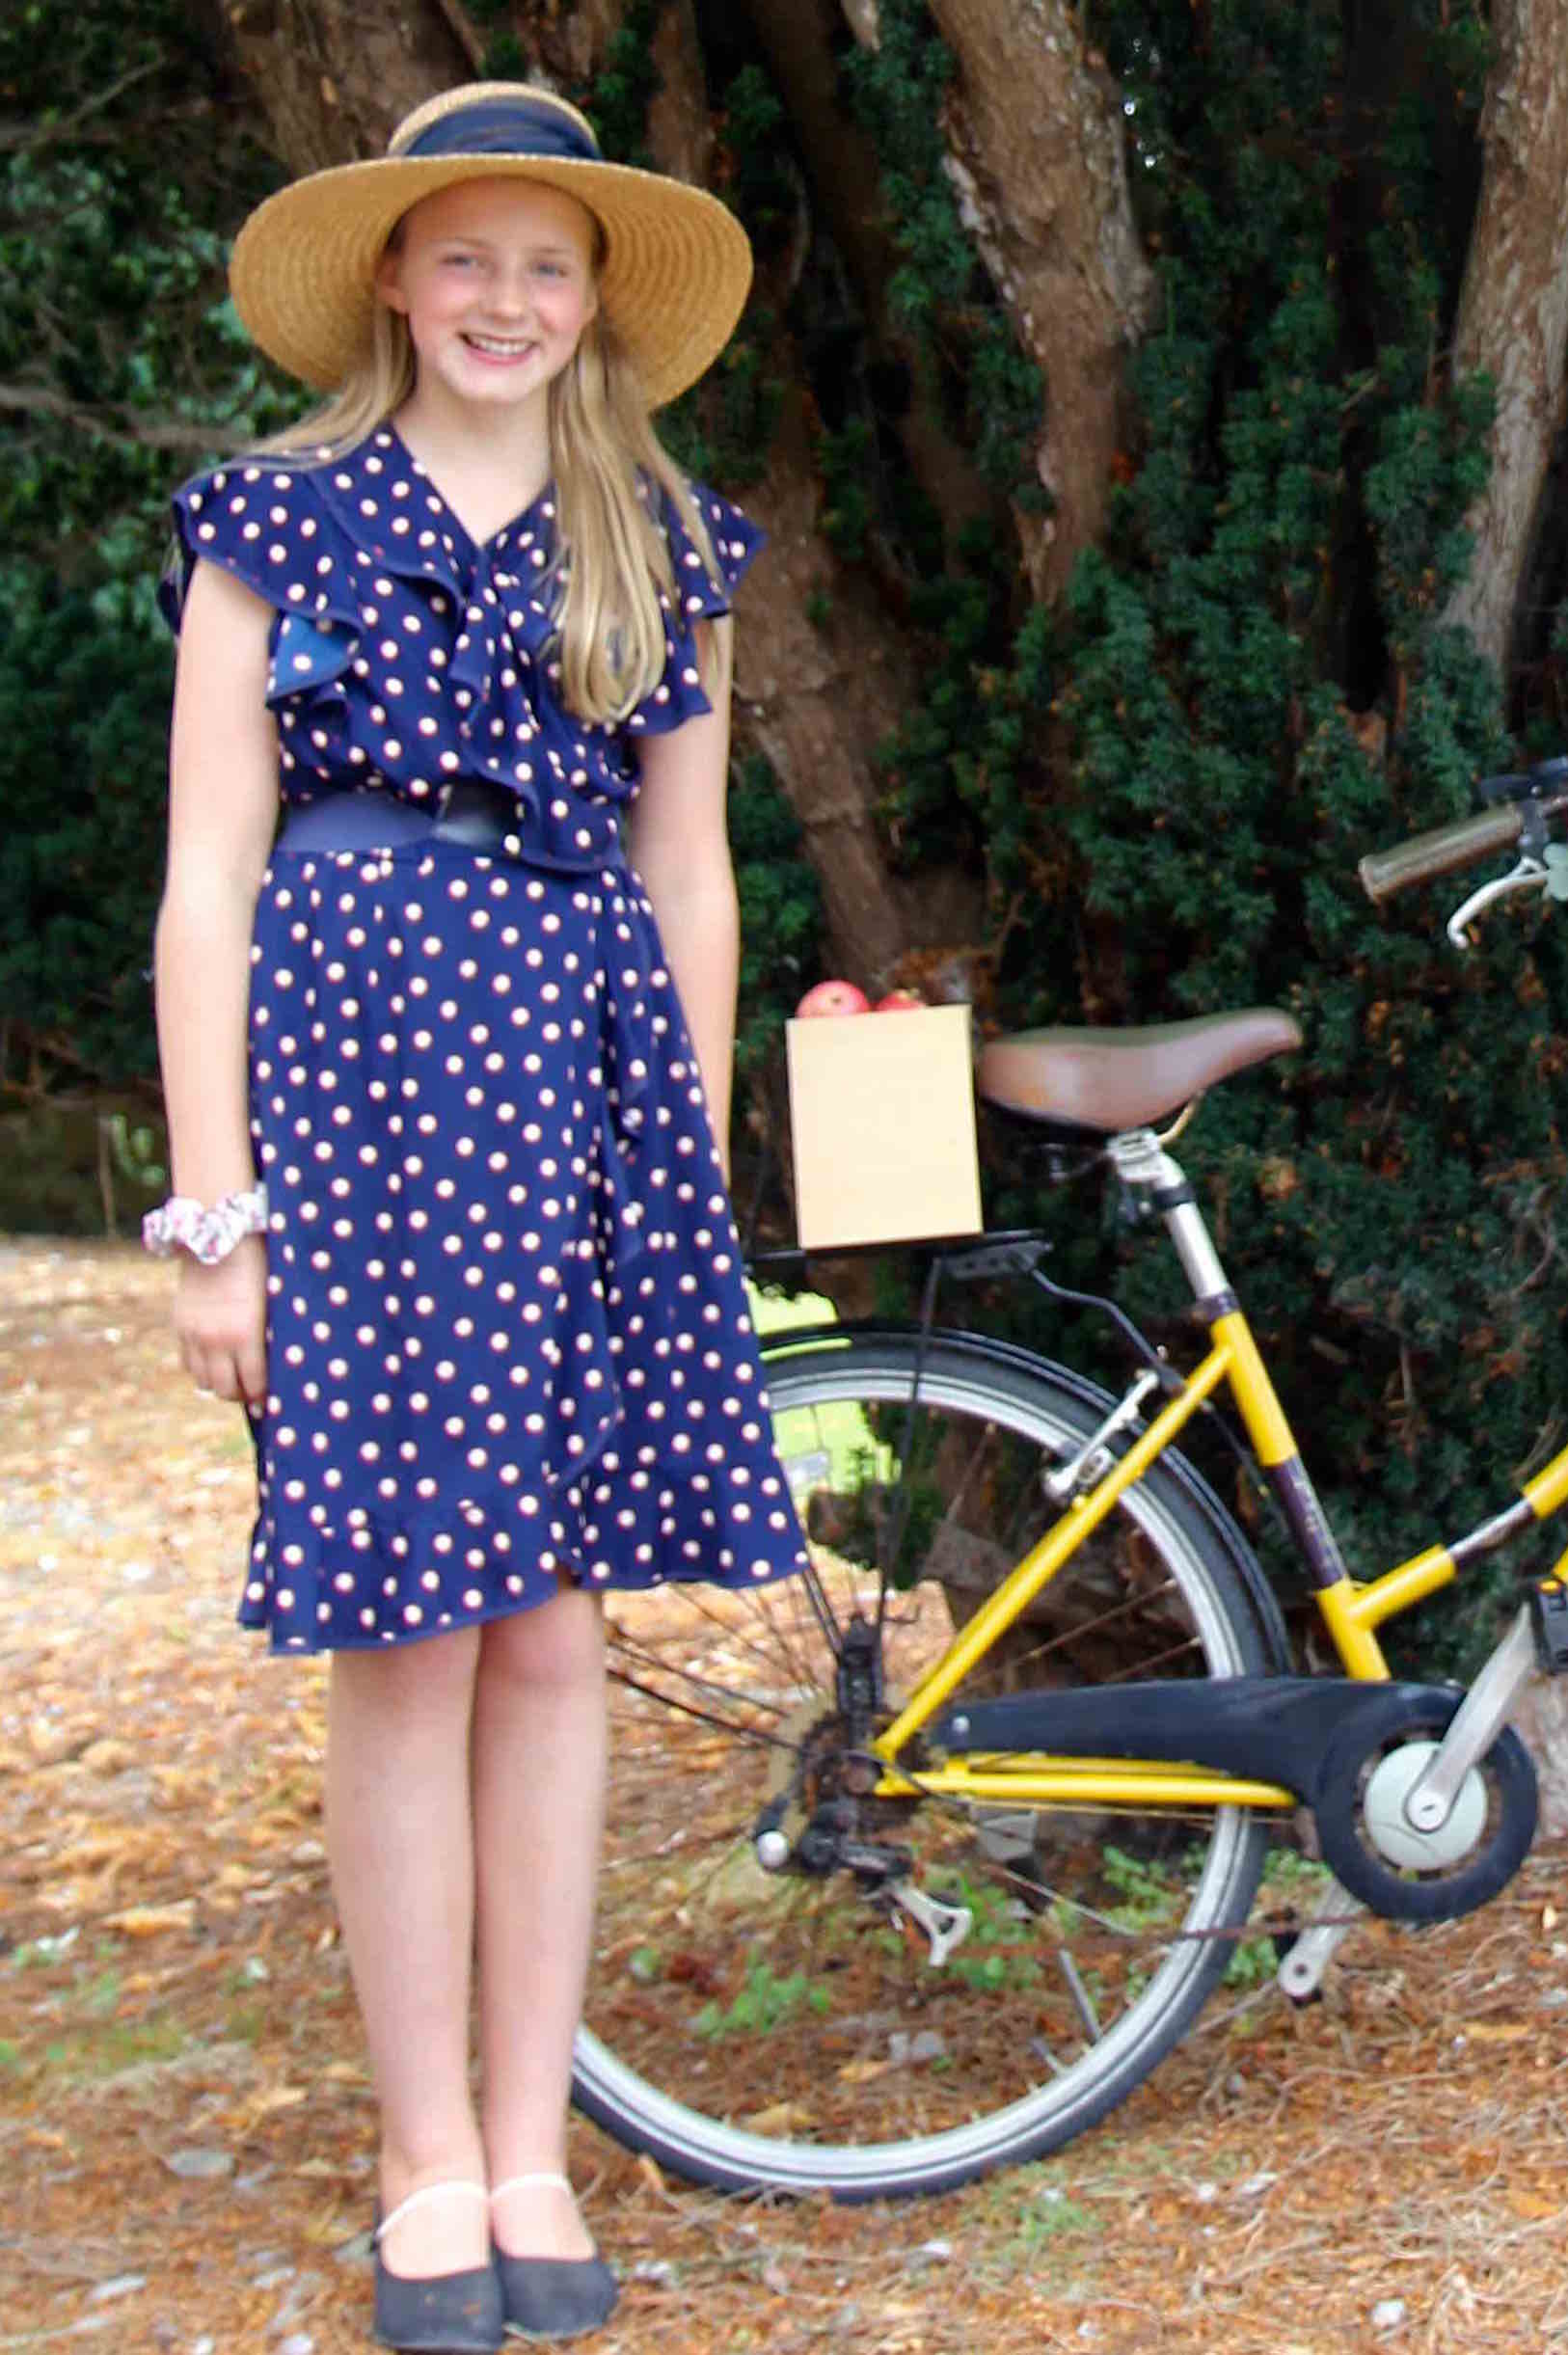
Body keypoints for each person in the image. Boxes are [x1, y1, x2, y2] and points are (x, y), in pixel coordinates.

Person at [146, 82, 810, 2350]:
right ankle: (424, 2156)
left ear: (594, 299)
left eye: (548, 265)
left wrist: (694, 1169)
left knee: (548, 1633)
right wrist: (211, 1211)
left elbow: (689, 868)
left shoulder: (660, 540)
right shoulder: (272, 524)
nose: (506, 301)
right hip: (354, 1109)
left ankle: (536, 2137)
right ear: (396, 287)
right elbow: (207, 878)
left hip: (586, 1100)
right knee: (410, 1632)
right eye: (466, 259)